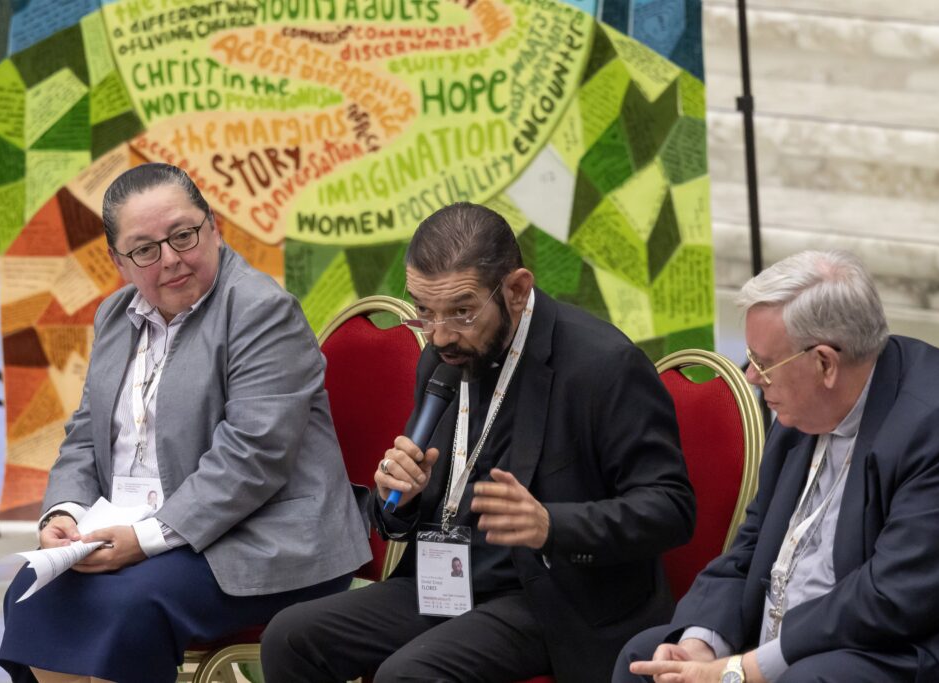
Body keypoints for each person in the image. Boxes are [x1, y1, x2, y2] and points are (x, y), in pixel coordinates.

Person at [261, 202, 696, 682]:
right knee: (291, 637)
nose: (441, 334)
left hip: (553, 599)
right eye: (424, 312)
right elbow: (423, 507)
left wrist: (552, 524)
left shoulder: (603, 366)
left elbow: (671, 508)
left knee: (409, 675)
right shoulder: (441, 357)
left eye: (462, 312)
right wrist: (402, 497)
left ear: (516, 289)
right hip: (448, 580)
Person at [0, 163, 372, 683]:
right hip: (142, 528)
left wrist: (145, 538)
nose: (171, 258)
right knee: (31, 590)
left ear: (213, 226)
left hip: (264, 539)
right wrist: (63, 513)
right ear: (120, 262)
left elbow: (252, 456)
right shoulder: (114, 314)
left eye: (183, 234)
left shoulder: (261, 310)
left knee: (125, 604)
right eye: (146, 249)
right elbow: (86, 434)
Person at [615, 250, 939, 683]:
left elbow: (893, 596)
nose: (751, 375)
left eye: (764, 363)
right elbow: (754, 540)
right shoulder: (804, 403)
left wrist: (738, 670)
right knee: (645, 660)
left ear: (825, 362)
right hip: (805, 632)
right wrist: (702, 642)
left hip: (921, 644)